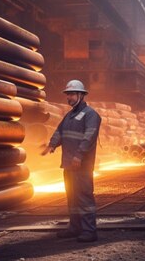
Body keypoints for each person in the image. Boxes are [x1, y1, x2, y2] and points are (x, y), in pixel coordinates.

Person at [40, 79, 101, 242]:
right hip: (68, 164)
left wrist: (79, 155)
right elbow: (60, 131)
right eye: (68, 94)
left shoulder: (91, 115)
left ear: (81, 95)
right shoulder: (70, 116)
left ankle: (89, 231)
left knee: (84, 197)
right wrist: (52, 145)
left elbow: (88, 138)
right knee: (72, 197)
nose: (69, 97)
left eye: (72, 94)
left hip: (81, 165)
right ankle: (75, 228)